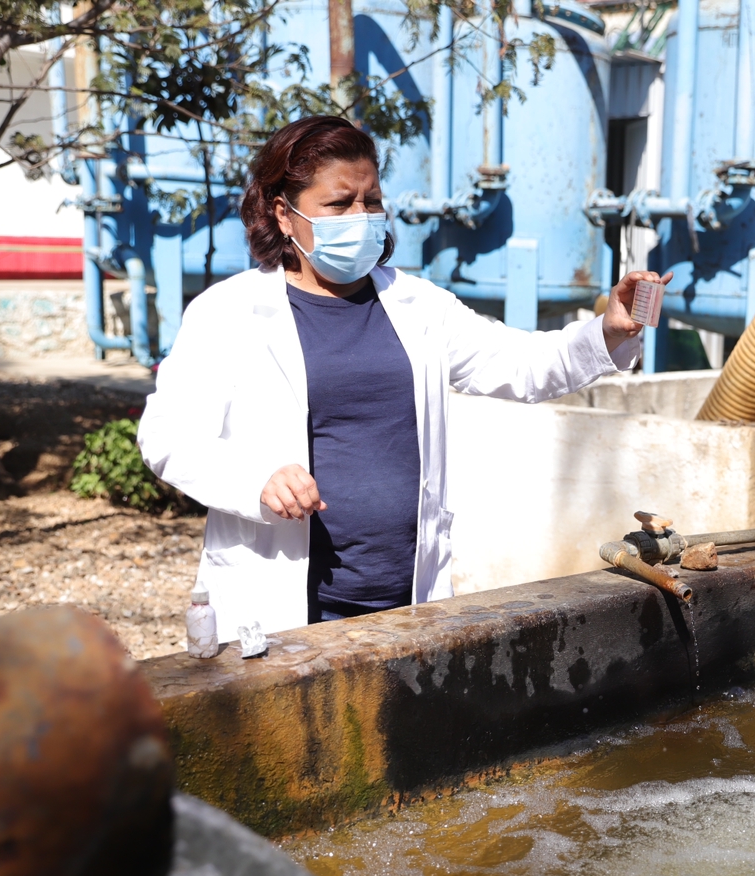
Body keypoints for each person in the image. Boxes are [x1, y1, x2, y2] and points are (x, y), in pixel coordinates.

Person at [138, 115, 667, 643]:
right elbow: (166, 438)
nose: (361, 216)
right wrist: (255, 478)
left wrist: (608, 331)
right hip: (286, 603)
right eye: (339, 203)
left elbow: (520, 365)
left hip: (404, 601)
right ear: (284, 214)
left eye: (371, 201)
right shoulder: (227, 312)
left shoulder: (416, 305)